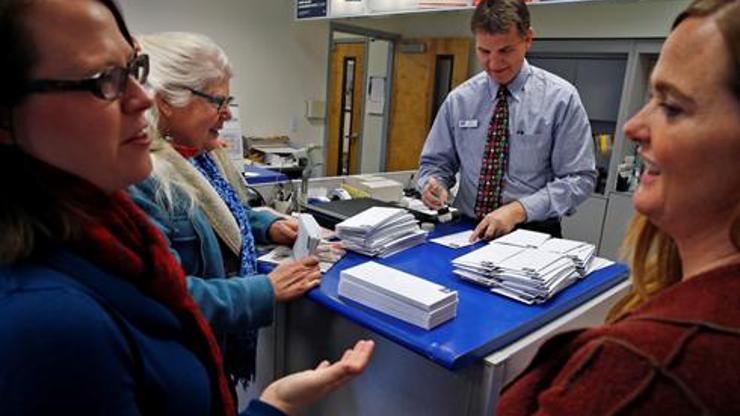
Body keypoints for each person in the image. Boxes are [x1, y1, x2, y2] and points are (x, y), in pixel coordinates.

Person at [0, 1, 372, 415]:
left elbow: (218, 214)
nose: (143, 98)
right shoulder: (48, 323)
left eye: (134, 69)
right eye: (105, 79)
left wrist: (265, 225)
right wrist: (274, 408)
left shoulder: (109, 229)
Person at [496, 0, 740, 414]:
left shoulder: (645, 366)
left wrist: (520, 209)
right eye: (651, 97)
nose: (632, 128)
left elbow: (577, 179)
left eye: (673, 106)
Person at [128, 31, 322, 388]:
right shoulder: (143, 177)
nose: (228, 113)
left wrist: (266, 225)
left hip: (212, 356)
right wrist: (263, 290)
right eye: (218, 101)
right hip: (178, 365)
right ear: (167, 101)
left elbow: (217, 213)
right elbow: (163, 296)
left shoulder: (199, 155)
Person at [416, 0, 597, 241]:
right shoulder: (459, 100)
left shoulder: (561, 99)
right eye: (484, 51)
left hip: (532, 232)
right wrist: (432, 185)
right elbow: (435, 164)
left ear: (528, 39)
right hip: (465, 229)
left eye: (505, 51)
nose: (493, 64)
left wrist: (518, 210)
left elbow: (579, 179)